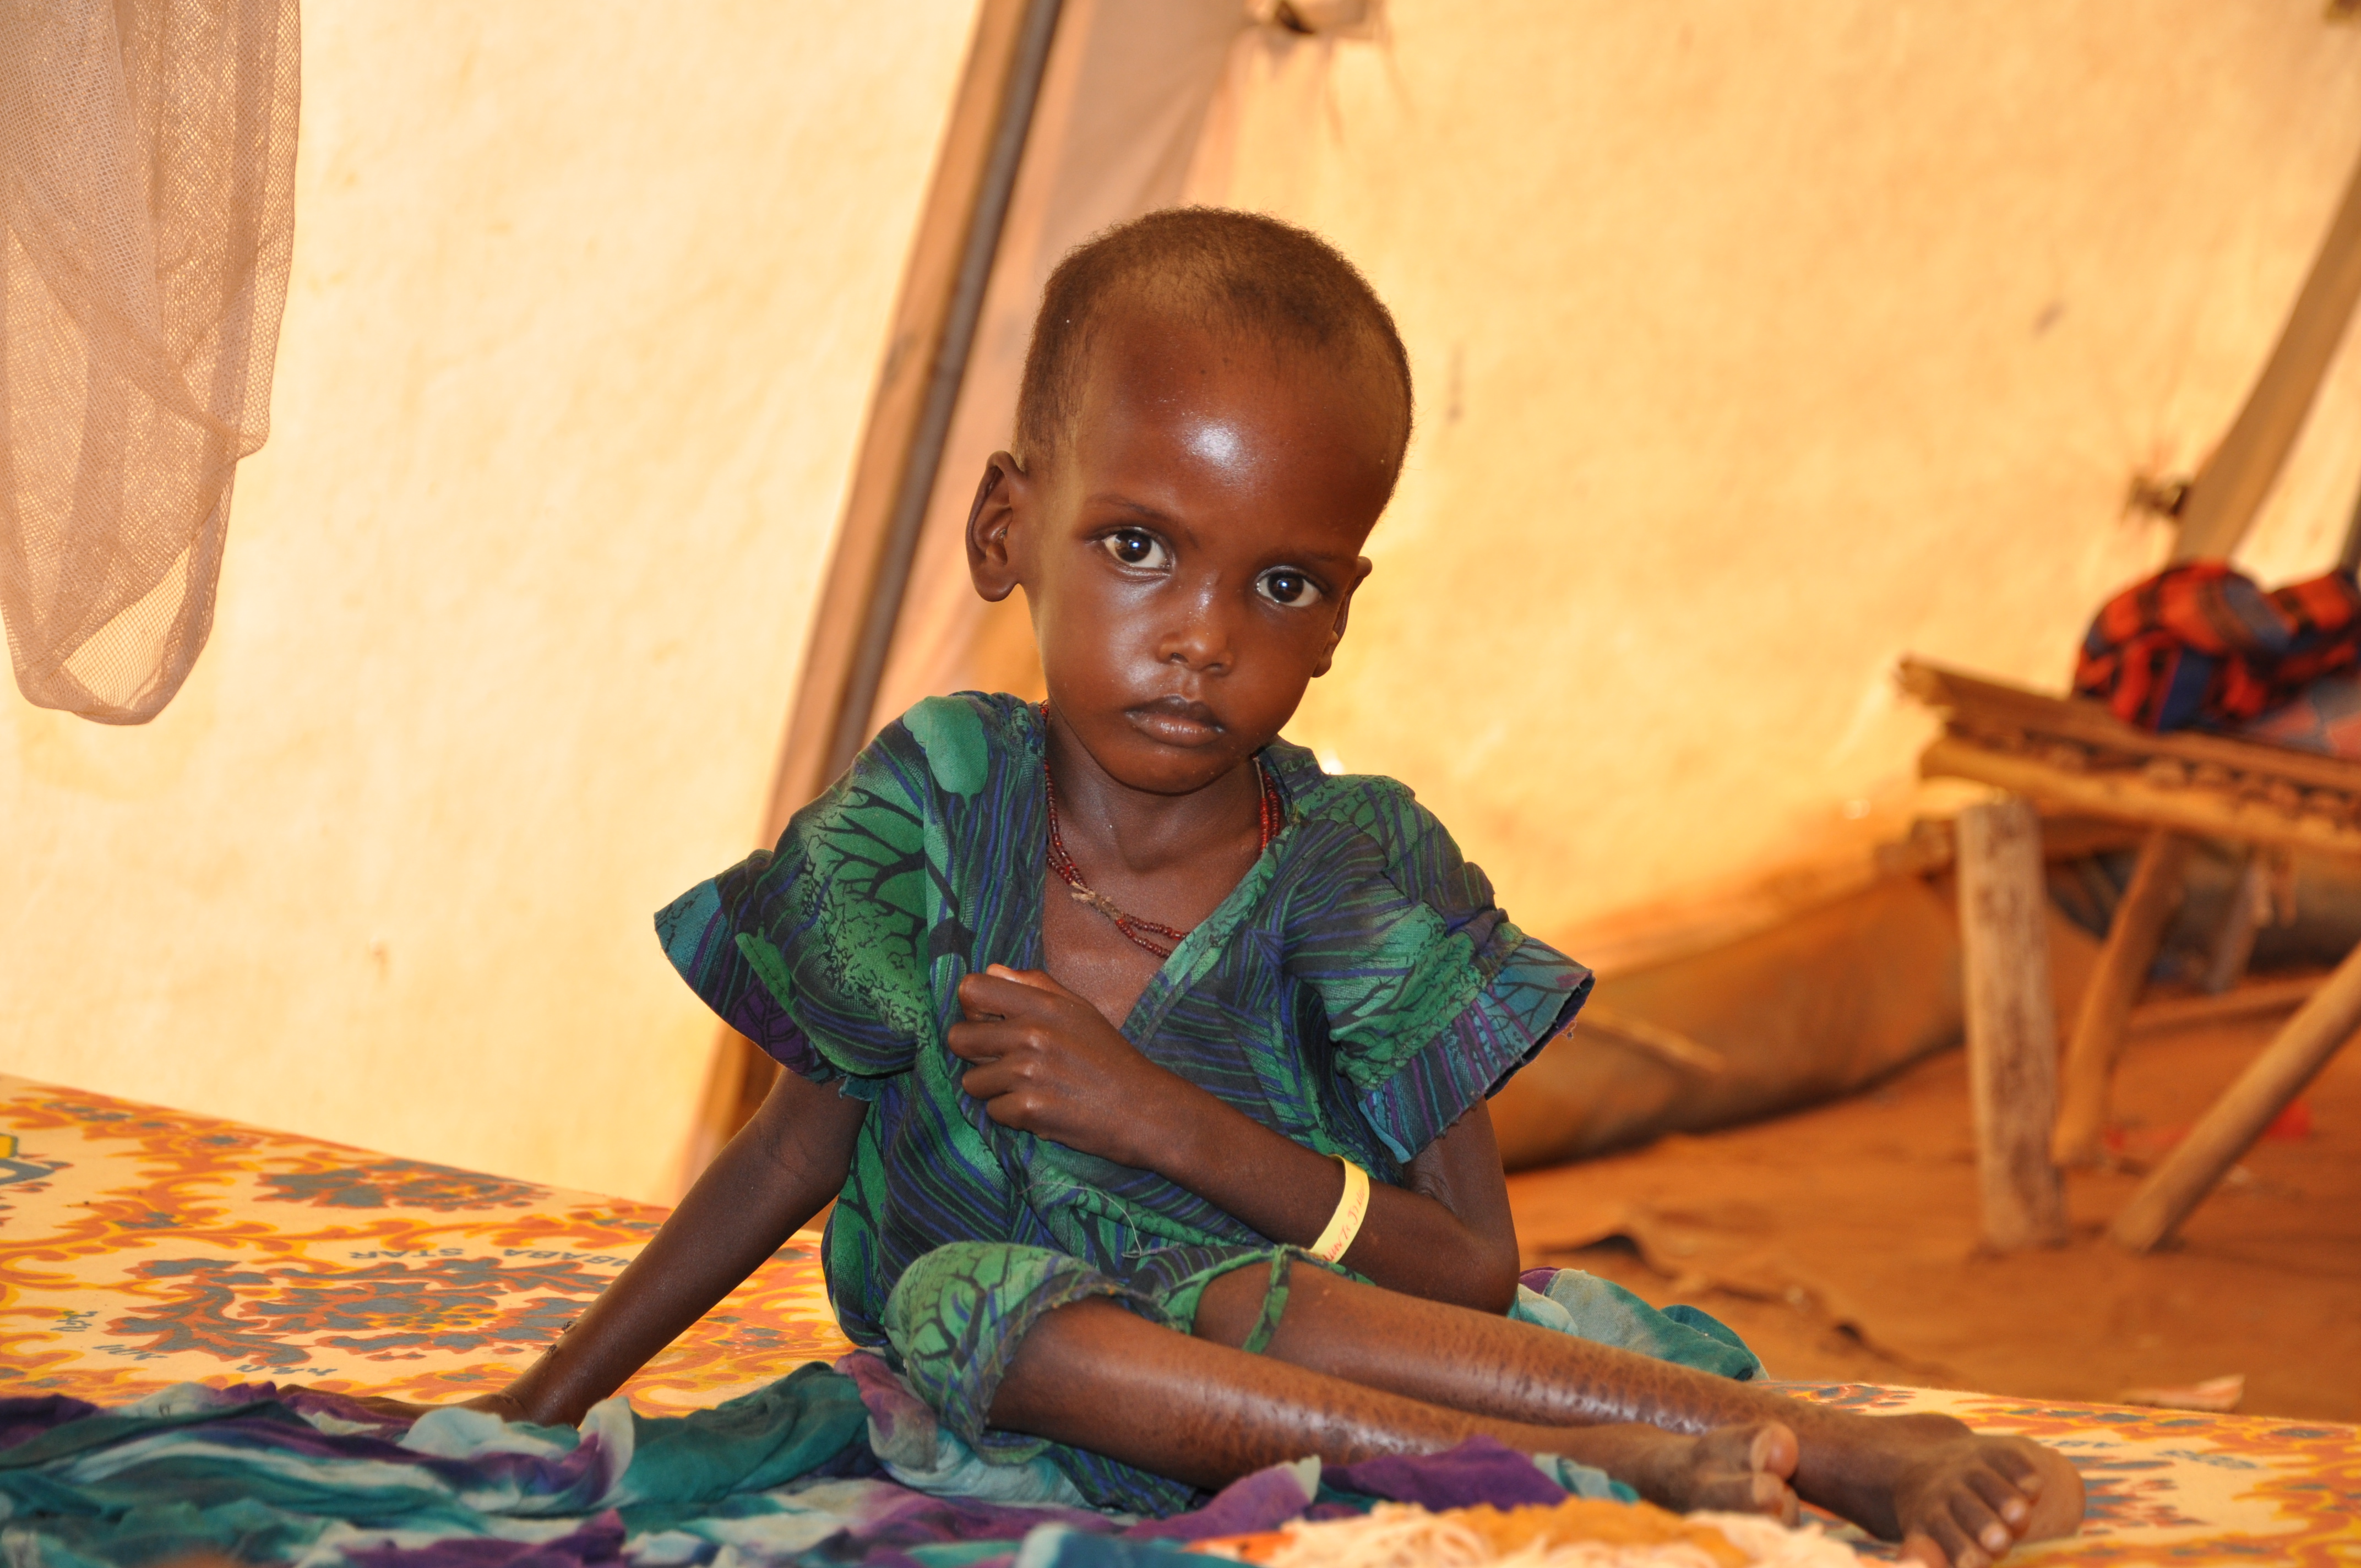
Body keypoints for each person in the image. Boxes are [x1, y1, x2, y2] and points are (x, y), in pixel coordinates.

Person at [463, 210, 2080, 1568]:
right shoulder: (936, 798)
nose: (1202, 634)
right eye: (1138, 547)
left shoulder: (1356, 870)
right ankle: (1556, 1463)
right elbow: (791, 1147)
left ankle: (1851, 1446)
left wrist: (1165, 1125)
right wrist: (551, 1394)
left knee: (1265, 1298)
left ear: (1338, 619)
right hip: (1017, 1350)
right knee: (976, 1297)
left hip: (1282, 1325)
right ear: (1007, 529)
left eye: (1280, 583)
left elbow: (1469, 1272)